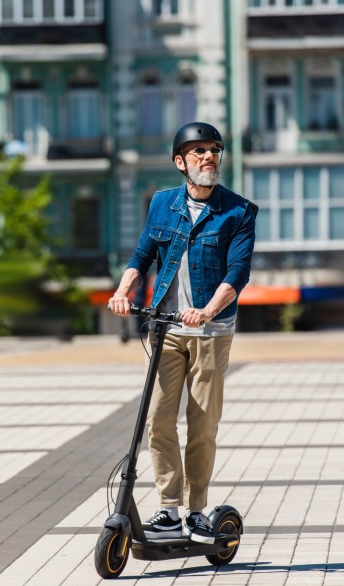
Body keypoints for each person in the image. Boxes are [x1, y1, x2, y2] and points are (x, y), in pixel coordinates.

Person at [108, 122, 257, 544]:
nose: (208, 157)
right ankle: (169, 510)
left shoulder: (239, 211)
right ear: (180, 162)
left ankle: (196, 511)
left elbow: (237, 272)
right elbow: (142, 254)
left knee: (202, 423)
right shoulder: (162, 204)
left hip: (211, 332)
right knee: (157, 418)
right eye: (198, 152)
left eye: (214, 150)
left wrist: (207, 310)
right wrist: (123, 291)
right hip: (165, 329)